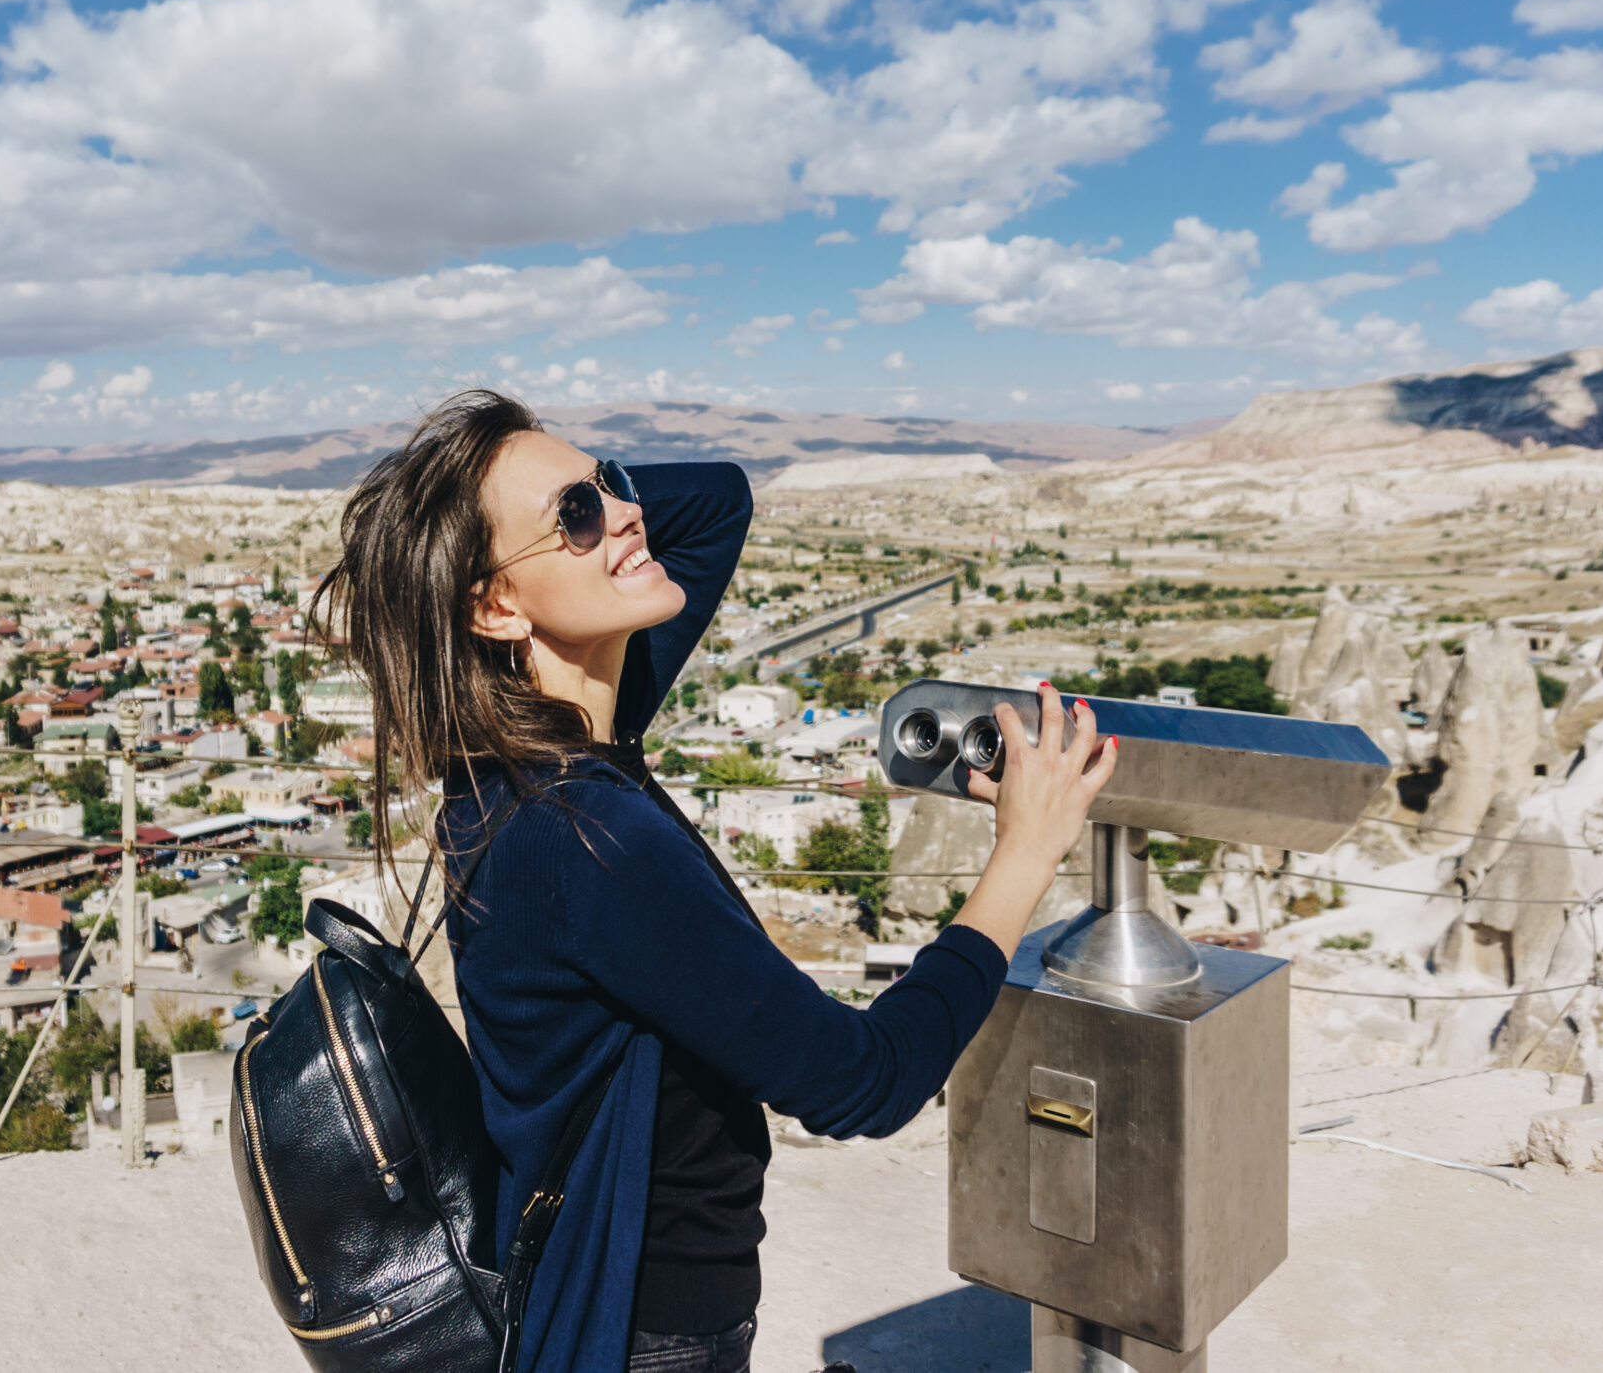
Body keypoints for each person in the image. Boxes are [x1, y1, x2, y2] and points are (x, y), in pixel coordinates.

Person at [316, 390, 1117, 1373]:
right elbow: (864, 1081)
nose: (623, 513)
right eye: (574, 517)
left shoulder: (531, 755)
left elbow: (716, 501)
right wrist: (1025, 853)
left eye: (609, 480)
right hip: (645, 1333)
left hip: (609, 1298)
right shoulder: (589, 841)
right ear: (495, 605)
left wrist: (578, 500)